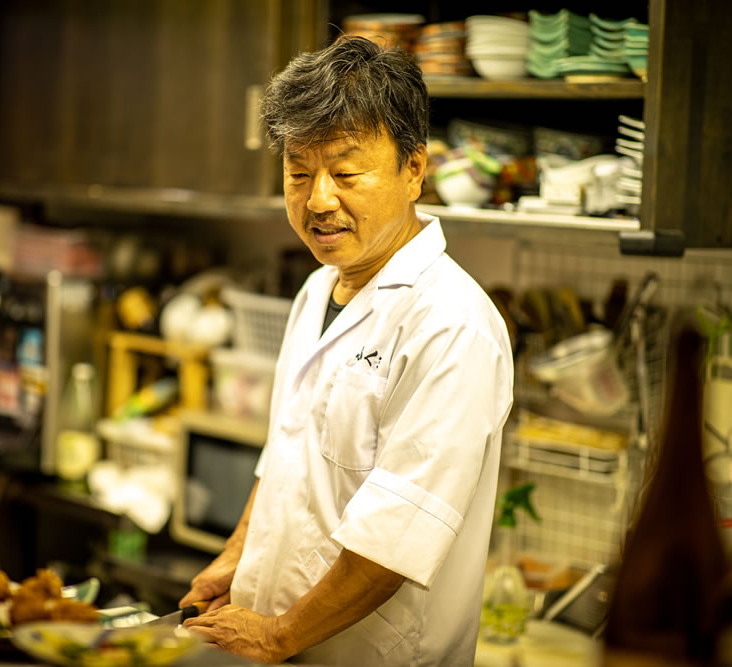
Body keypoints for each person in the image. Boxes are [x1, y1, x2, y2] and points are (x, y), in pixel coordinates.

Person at [180, 36, 514, 665]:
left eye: (346, 172)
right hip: (279, 640)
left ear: (413, 170)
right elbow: (288, 453)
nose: (318, 200)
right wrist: (237, 556)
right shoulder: (315, 290)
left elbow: (399, 531)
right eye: (299, 173)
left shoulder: (452, 325)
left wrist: (279, 635)